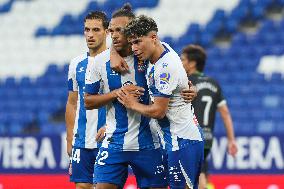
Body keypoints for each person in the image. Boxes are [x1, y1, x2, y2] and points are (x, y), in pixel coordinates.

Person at [84, 4, 168, 189]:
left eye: (119, 30)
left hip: (148, 143)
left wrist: (190, 87)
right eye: (111, 30)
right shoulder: (100, 61)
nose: (114, 35)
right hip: (114, 143)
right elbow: (88, 101)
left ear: (131, 32)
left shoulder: (149, 57)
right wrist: (116, 94)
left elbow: (172, 69)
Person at [117, 15, 204, 189]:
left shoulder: (165, 68)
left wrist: (131, 104)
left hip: (182, 140)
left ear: (153, 38)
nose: (134, 48)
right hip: (175, 138)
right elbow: (182, 81)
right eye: (132, 43)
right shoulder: (163, 49)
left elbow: (158, 111)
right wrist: (189, 87)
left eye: (138, 42)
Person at [180, 45, 238, 189]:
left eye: (182, 59)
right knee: (199, 174)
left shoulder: (185, 81)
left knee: (186, 178)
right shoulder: (214, 83)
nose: (180, 63)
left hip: (189, 137)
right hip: (207, 139)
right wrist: (231, 140)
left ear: (192, 63)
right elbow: (225, 113)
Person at [65, 11, 109, 189]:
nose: (90, 34)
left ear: (107, 31)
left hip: (108, 139)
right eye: (87, 30)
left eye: (96, 29)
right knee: (82, 186)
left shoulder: (116, 62)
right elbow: (72, 102)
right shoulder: (76, 64)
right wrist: (70, 139)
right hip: (82, 140)